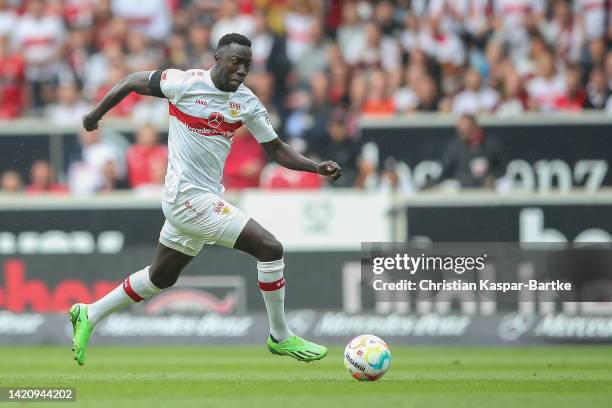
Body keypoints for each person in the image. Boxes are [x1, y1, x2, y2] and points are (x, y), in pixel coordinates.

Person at [71, 33, 341, 366]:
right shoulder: (183, 83)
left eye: (247, 65)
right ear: (216, 59)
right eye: (235, 62)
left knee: (161, 277)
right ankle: (280, 336)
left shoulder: (246, 102)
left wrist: (315, 167)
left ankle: (90, 312)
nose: (242, 70)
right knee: (270, 248)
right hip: (186, 197)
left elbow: (276, 149)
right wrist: (95, 115)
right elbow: (130, 81)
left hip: (204, 197)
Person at [436, 114, 503, 189]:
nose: (462, 132)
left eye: (466, 129)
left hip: (486, 190)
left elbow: (501, 168)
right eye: (460, 130)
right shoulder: (454, 147)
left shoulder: (491, 145)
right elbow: (445, 170)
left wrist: (492, 177)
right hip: (461, 189)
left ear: (475, 127)